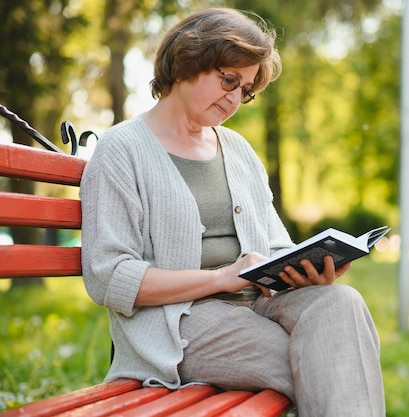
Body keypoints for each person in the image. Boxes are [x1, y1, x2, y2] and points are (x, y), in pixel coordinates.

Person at [80, 7, 385, 417]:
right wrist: (221, 277)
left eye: (245, 90)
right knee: (332, 355)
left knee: (340, 306)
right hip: (180, 323)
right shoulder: (122, 151)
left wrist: (308, 268)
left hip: (257, 302)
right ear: (190, 59)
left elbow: (275, 244)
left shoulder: (238, 150)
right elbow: (108, 278)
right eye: (228, 80)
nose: (235, 98)